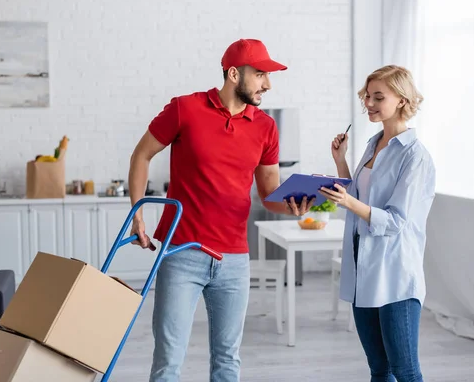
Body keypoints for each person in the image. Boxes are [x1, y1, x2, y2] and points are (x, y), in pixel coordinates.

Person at [127, 38, 314, 382]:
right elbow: (141, 155)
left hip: (234, 260)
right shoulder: (185, 109)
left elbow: (270, 192)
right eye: (260, 74)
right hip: (182, 252)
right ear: (233, 74)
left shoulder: (265, 127)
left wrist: (295, 209)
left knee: (228, 362)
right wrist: (137, 215)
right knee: (168, 361)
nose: (267, 84)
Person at [319, 65, 436, 382]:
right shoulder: (373, 145)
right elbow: (357, 195)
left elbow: (397, 220)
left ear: (401, 100)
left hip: (396, 273)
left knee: (405, 369)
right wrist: (341, 160)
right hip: (363, 268)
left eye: (378, 97)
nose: (368, 103)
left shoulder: (415, 156)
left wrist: (349, 202)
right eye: (367, 96)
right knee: (379, 368)